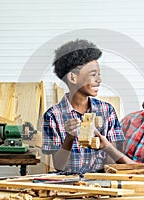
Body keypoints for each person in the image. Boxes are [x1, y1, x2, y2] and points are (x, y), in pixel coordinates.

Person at [42, 39, 125, 173]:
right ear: (73, 78)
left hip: (101, 180)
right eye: (93, 75)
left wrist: (104, 145)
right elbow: (59, 166)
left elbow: (112, 163)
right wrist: (69, 137)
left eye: (99, 74)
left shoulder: (107, 111)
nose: (99, 80)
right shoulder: (53, 116)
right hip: (67, 181)